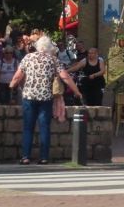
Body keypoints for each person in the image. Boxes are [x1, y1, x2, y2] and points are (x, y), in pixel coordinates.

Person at [9, 35, 82, 165]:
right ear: (49, 48)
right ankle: (43, 157)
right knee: (44, 127)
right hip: (45, 97)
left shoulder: (28, 57)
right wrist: (76, 91)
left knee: (28, 127)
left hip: (29, 96)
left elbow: (17, 77)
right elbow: (65, 77)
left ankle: (25, 157)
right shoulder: (53, 59)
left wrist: (11, 86)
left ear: (38, 46)